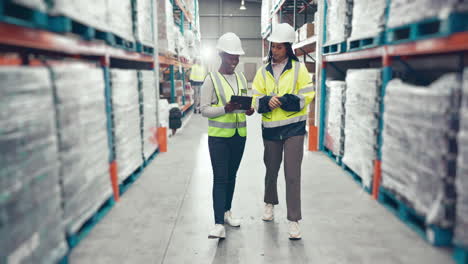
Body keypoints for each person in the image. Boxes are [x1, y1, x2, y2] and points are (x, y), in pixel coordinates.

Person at [252, 23, 315, 240]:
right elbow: (255, 97)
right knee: (271, 171)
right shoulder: (262, 72)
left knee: (292, 174)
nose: (275, 51)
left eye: (279, 47)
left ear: (288, 48)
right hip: (270, 130)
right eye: (273, 46)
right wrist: (266, 102)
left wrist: (286, 100)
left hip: (294, 129)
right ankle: (269, 203)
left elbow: (308, 94)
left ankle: (294, 220)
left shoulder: (299, 69)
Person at [200, 32, 254, 239]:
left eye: (237, 57)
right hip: (219, 138)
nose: (235, 61)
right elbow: (204, 110)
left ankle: (227, 212)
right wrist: (225, 109)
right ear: (221, 55)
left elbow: (241, 104)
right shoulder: (210, 79)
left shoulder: (240, 77)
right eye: (231, 56)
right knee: (220, 178)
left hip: (239, 135)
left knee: (232, 176)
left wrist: (246, 110)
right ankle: (217, 223)